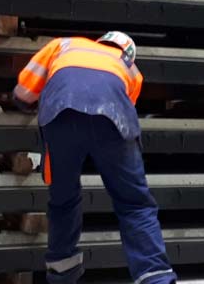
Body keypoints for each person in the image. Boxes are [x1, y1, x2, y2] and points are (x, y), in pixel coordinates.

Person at [11, 31, 176, 284]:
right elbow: (122, 113)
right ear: (127, 53)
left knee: (63, 200)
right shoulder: (131, 69)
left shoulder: (62, 45)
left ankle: (61, 276)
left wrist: (26, 102)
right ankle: (156, 279)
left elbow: (24, 93)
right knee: (134, 204)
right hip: (113, 119)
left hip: (60, 115)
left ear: (101, 41)